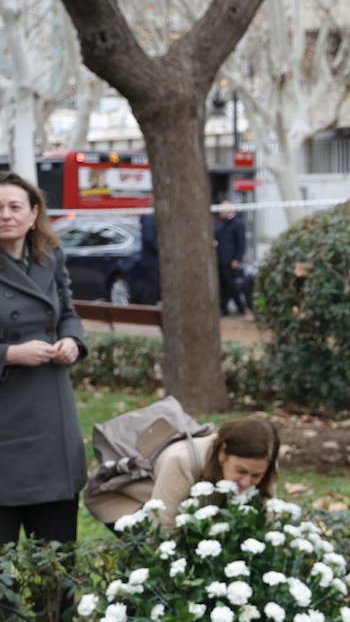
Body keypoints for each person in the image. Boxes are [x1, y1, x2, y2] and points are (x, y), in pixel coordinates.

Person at [0, 173, 87, 546]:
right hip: (6, 415)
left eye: (15, 207)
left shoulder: (49, 258)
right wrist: (9, 353)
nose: (6, 215)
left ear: (33, 214)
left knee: (55, 553)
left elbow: (68, 310)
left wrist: (72, 340)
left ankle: (55, 607)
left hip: (50, 414)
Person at [86, 417, 281, 534]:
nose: (247, 482)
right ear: (223, 453)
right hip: (126, 501)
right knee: (148, 560)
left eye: (256, 475)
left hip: (187, 510)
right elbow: (163, 530)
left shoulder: (263, 461)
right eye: (241, 471)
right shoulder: (181, 461)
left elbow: (268, 518)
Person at [214, 204, 247, 315]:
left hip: (230, 261)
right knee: (224, 286)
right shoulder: (221, 223)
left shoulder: (237, 224)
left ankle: (240, 308)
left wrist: (237, 259)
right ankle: (224, 308)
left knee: (231, 286)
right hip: (221, 260)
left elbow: (241, 243)